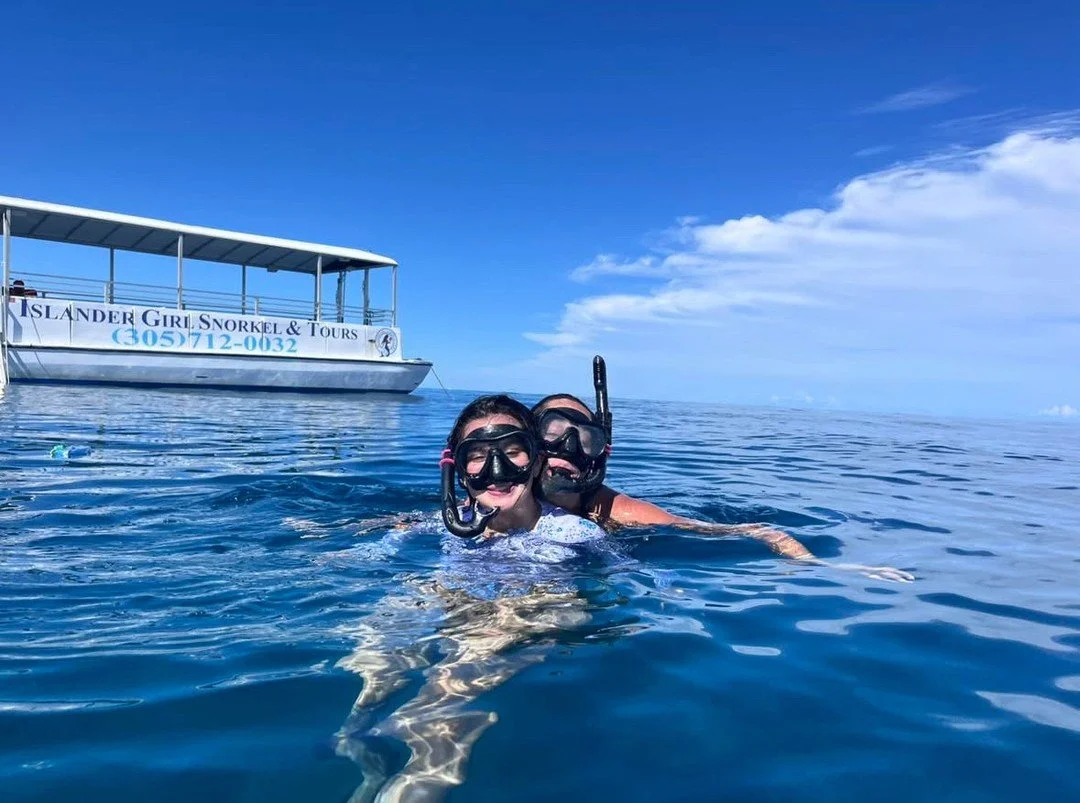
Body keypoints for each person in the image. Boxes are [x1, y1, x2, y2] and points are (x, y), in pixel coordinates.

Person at [336, 394, 618, 802]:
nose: (497, 470)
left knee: (442, 702)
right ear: (457, 467)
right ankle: (358, 742)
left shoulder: (573, 533)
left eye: (513, 451)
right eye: (478, 456)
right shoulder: (451, 523)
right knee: (376, 649)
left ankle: (418, 781)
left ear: (537, 460)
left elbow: (628, 572)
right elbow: (376, 547)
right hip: (451, 596)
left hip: (529, 604)